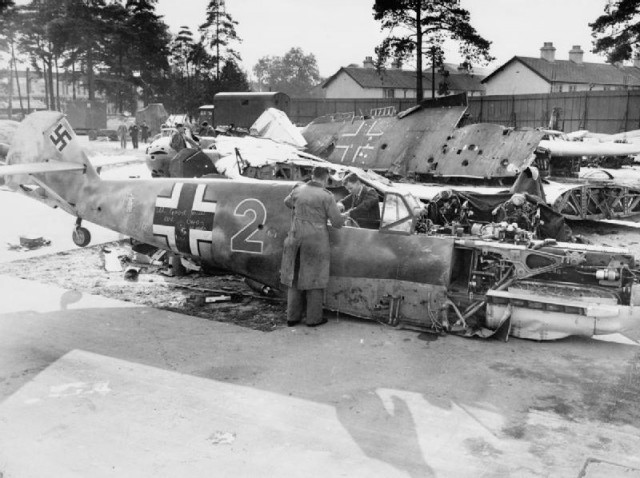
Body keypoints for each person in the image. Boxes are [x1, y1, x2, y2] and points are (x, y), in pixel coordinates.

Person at [280, 166, 345, 327]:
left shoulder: (298, 189)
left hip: (295, 238)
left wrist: (301, 211)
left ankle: (292, 317)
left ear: (312, 176)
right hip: (316, 242)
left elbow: (287, 202)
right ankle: (313, 319)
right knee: (315, 279)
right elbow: (337, 223)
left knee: (294, 278)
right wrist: (341, 212)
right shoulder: (326, 196)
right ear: (325, 178)